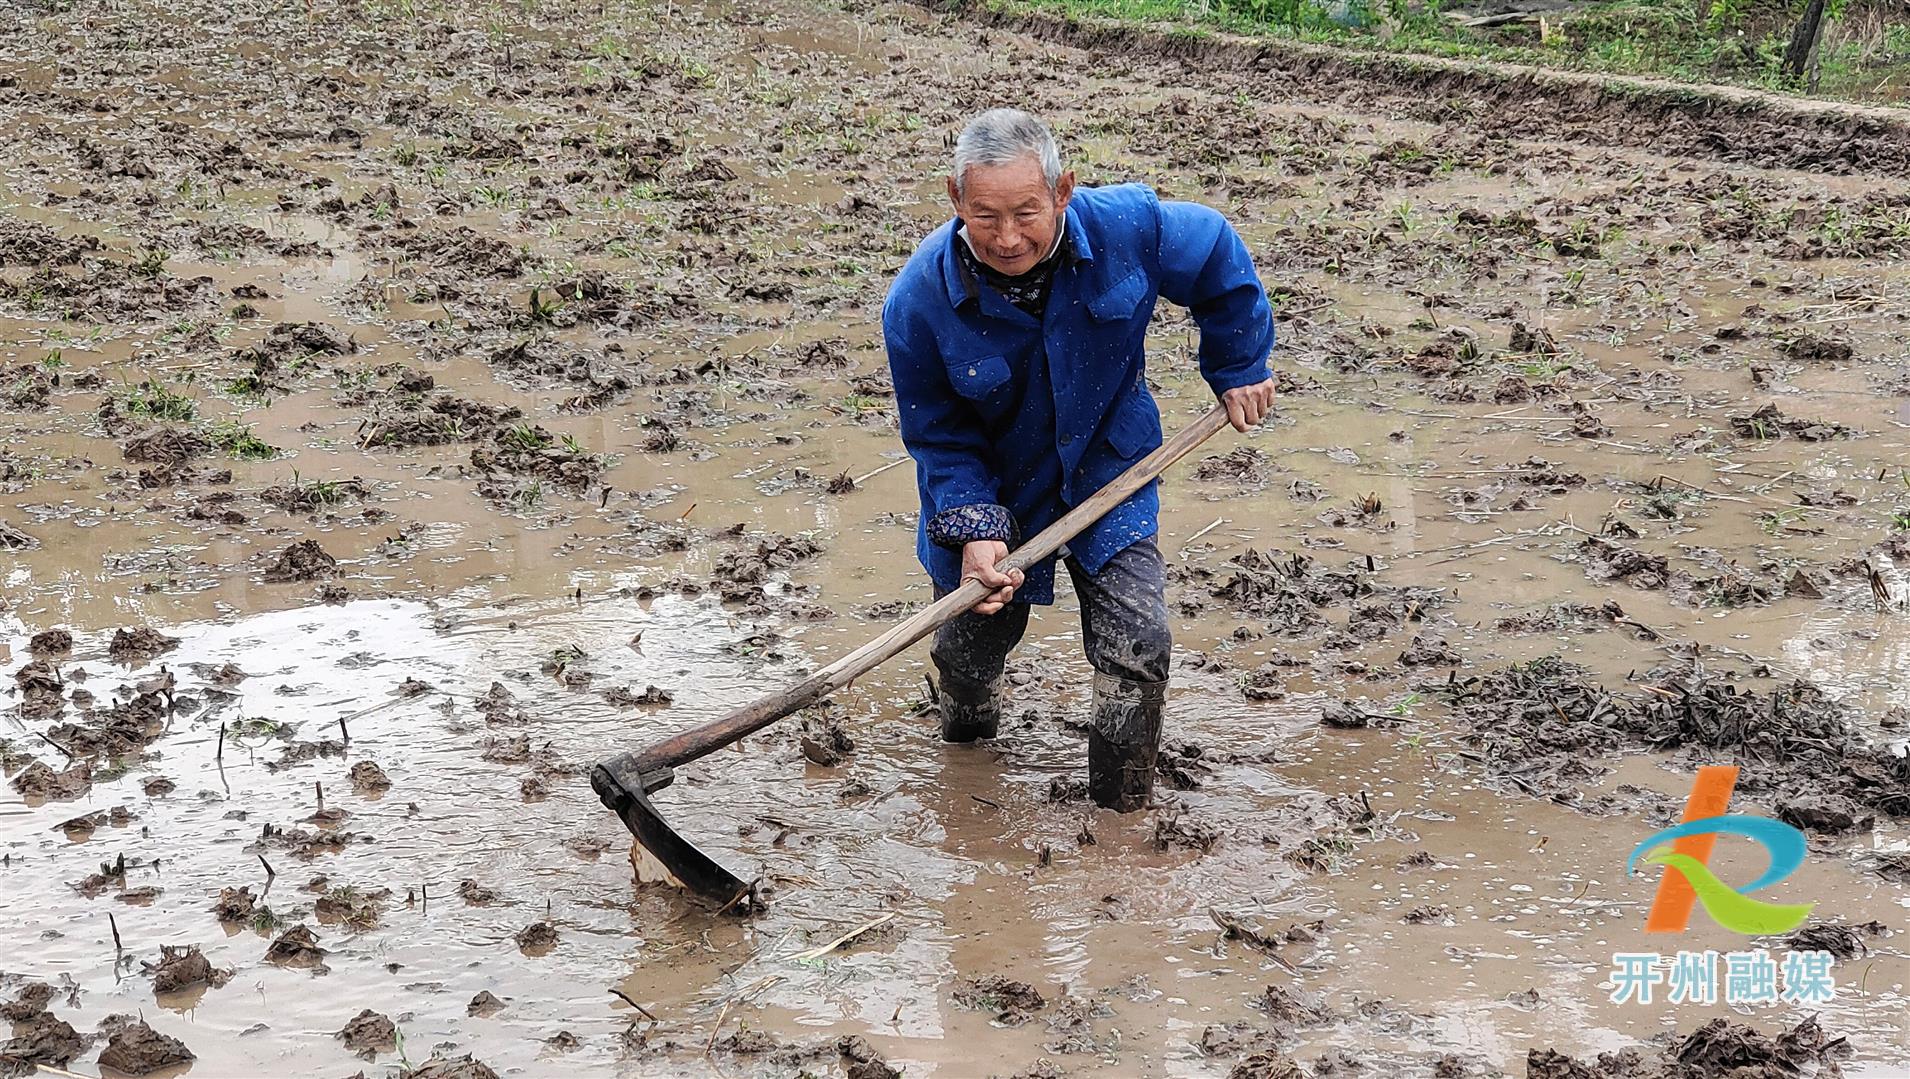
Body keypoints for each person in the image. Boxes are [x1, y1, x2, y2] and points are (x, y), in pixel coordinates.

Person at [881, 108, 1277, 812]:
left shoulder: (1131, 227)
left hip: (1109, 473)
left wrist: (1239, 362)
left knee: (1139, 642)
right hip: (993, 495)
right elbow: (939, 437)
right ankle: (967, 762)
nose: (1008, 238)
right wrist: (975, 528)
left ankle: (1121, 814)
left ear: (1064, 191)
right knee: (969, 652)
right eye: (985, 216)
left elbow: (1217, 252)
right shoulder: (917, 301)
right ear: (954, 199)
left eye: (1027, 212)